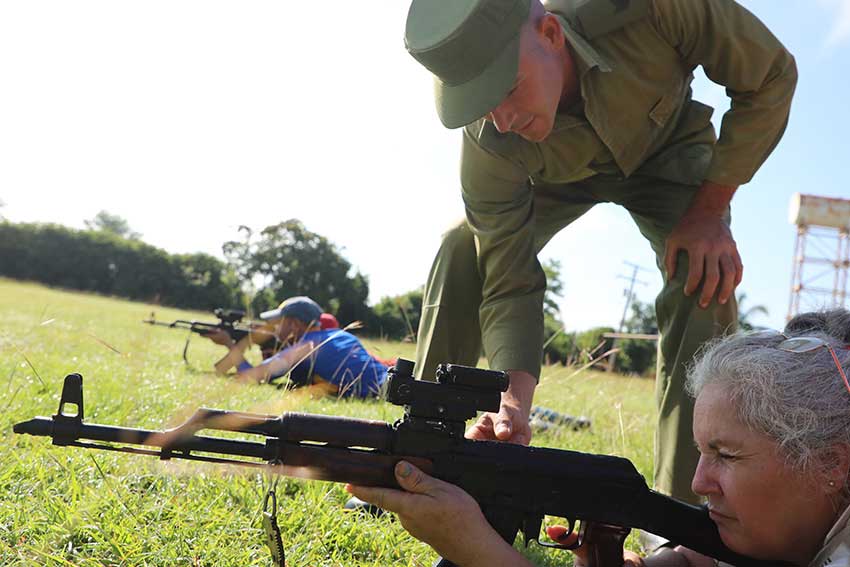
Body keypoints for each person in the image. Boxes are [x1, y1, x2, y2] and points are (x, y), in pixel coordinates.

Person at [404, 0, 797, 503]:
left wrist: (709, 210)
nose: (500, 119)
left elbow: (770, 75)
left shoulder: (652, 6)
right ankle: (420, 455)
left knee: (703, 273)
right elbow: (508, 279)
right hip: (555, 179)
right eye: (481, 104)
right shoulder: (491, 138)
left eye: (505, 88)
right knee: (463, 246)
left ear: (550, 33)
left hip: (668, 153)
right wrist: (513, 405)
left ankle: (686, 508)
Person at [349, 309, 850, 566]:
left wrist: (479, 551)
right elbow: (699, 558)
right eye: (702, 451)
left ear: (832, 464)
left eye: (727, 455)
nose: (698, 483)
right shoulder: (783, 522)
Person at [208, 296, 388, 398]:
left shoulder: (303, 348)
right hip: (392, 382)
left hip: (383, 393)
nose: (275, 327)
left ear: (294, 324)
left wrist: (229, 344)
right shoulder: (342, 334)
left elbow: (251, 377)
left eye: (279, 322)